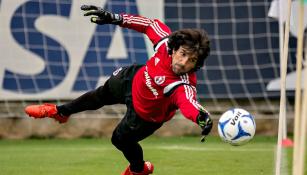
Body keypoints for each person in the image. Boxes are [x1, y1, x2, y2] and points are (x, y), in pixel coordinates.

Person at [25, 5, 213, 175]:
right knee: (99, 95)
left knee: (119, 140)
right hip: (133, 79)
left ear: (197, 64)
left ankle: (139, 170)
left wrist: (201, 117)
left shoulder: (183, 84)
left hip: (146, 115)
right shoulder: (165, 43)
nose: (184, 62)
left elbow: (189, 104)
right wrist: (115, 17)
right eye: (183, 54)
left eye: (192, 60)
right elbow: (149, 24)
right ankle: (59, 112)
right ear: (175, 48)